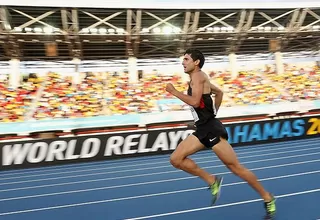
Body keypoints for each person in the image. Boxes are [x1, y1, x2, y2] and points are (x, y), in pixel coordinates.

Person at [165, 48, 276, 216]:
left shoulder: (198, 76)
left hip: (210, 129)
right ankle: (212, 180)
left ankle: (268, 197)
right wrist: (207, 116)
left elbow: (195, 102)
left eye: (186, 59)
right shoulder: (199, 78)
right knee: (176, 159)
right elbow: (219, 93)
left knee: (236, 168)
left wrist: (174, 92)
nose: (183, 62)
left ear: (196, 62)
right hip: (204, 128)